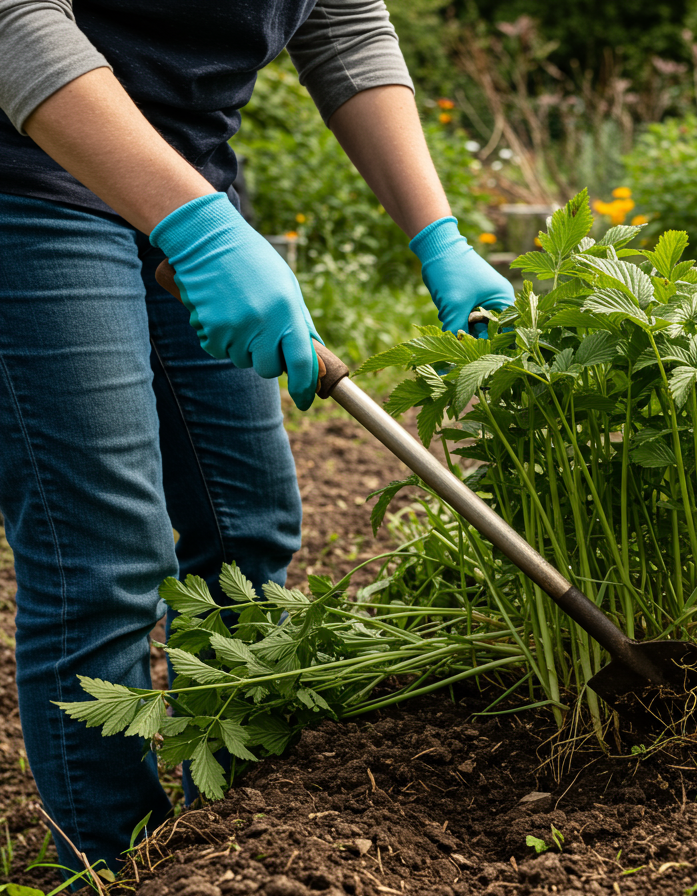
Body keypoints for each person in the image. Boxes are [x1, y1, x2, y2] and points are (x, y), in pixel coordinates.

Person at [0, 0, 514, 877]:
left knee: (246, 529)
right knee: (105, 562)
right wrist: (196, 229)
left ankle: (240, 852)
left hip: (192, 179)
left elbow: (344, 22)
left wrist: (440, 236)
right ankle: (108, 869)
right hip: (29, 171)